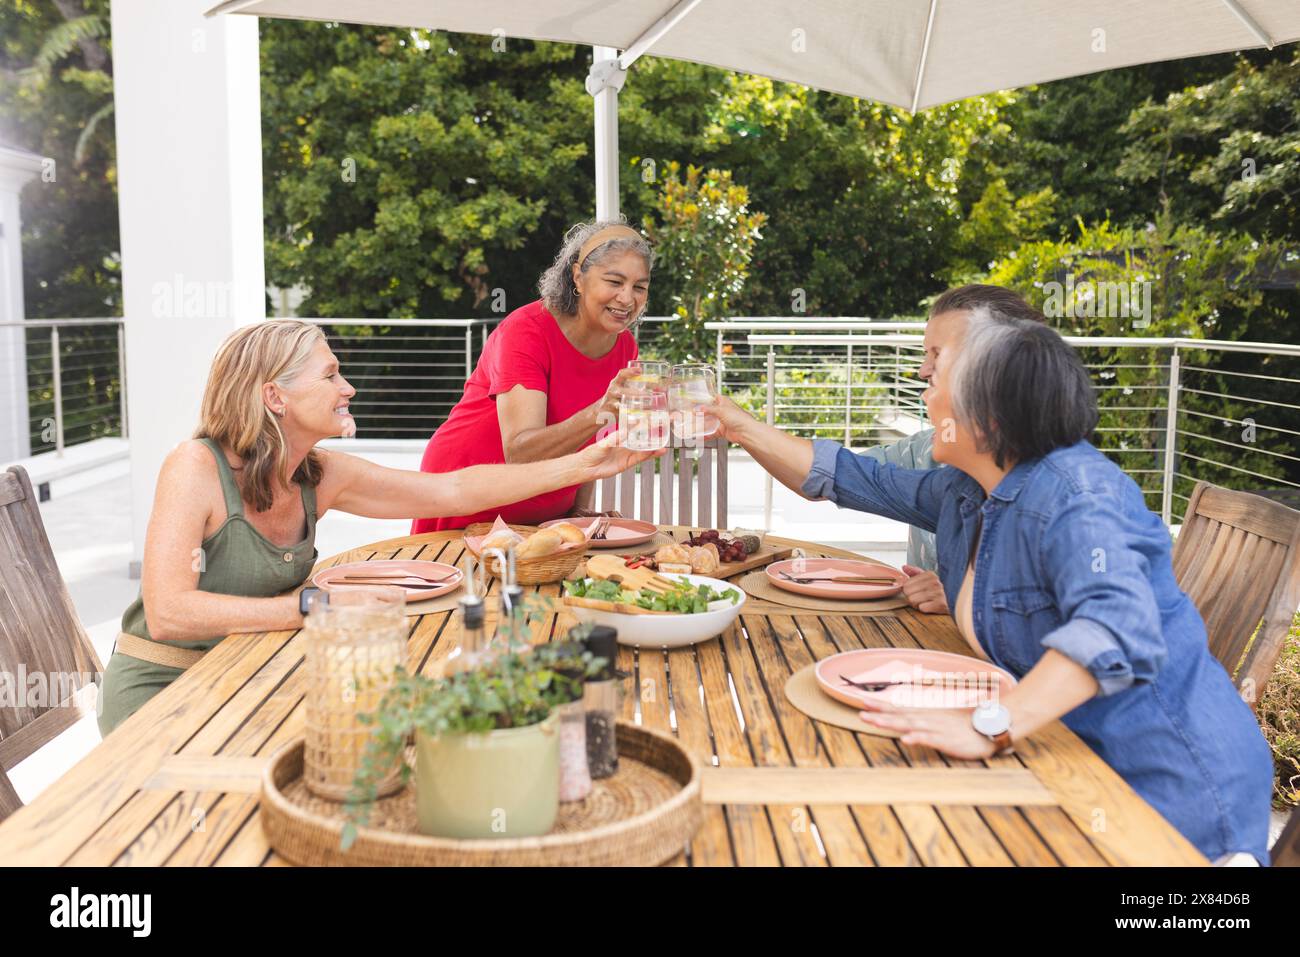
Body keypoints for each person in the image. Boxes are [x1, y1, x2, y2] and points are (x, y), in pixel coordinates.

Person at [706, 305, 1273, 864]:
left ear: (990, 416)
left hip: (1166, 799)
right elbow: (852, 477)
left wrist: (990, 726)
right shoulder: (968, 486)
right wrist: (734, 422)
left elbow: (1115, 626)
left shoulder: (1078, 496)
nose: (925, 393)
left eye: (940, 376)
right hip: (1058, 754)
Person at [97, 320, 658, 736]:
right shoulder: (195, 467)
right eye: (331, 375)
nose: (349, 388)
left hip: (251, 669)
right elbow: (169, 612)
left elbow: (454, 491)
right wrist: (311, 609)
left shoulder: (318, 473)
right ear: (275, 397)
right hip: (166, 689)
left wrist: (588, 463)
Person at [412, 219, 652, 533]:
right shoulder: (526, 331)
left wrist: (579, 508)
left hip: (545, 518)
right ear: (578, 277)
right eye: (614, 281)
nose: (626, 298)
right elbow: (520, 452)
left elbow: (591, 440)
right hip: (468, 500)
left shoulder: (625, 347)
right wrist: (600, 411)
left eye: (639, 287)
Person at [851, 285, 1048, 616]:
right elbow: (840, 474)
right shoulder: (942, 474)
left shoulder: (1069, 501)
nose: (922, 372)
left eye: (937, 355)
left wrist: (963, 601)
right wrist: (745, 427)